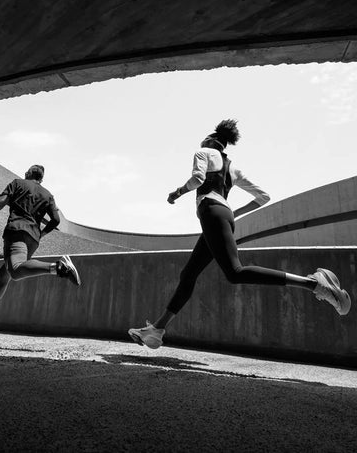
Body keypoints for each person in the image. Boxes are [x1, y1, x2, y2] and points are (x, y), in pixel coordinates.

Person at [128, 119, 351, 349]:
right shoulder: (233, 169)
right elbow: (263, 197)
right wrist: (234, 213)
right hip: (221, 215)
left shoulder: (204, 152)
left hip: (211, 212)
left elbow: (198, 179)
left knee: (235, 273)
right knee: (188, 274)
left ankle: (313, 284)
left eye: (204, 139)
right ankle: (157, 329)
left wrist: (177, 193)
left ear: (211, 140)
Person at [0, 165, 81, 332]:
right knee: (3, 276)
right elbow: (56, 220)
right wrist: (41, 233)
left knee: (15, 270)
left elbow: (0, 201)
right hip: (33, 239)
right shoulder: (48, 195)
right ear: (41, 179)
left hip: (16, 232)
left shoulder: (17, 183)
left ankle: (59, 267)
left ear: (28, 173)